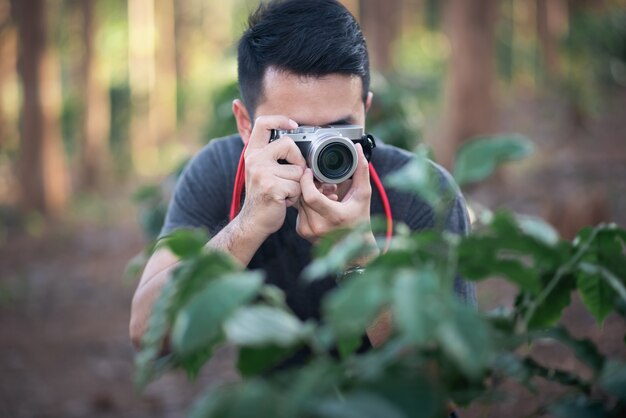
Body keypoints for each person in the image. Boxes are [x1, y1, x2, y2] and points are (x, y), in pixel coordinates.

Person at [130, 0, 475, 351]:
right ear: (246, 124)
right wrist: (246, 226)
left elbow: (445, 381)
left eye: (340, 130)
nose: (321, 152)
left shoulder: (421, 190)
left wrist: (356, 251)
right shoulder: (221, 170)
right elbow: (148, 332)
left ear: (366, 112)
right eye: (297, 133)